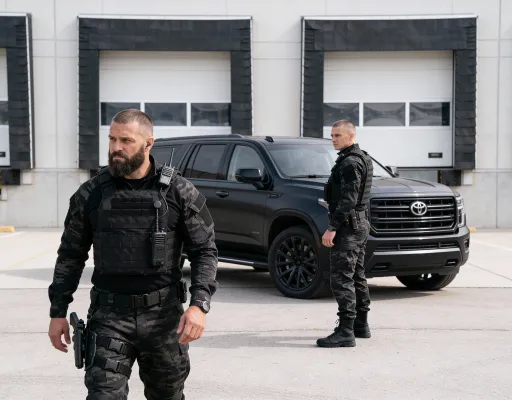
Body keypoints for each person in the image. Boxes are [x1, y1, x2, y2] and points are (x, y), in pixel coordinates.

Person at [47, 109, 218, 399]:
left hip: (164, 317)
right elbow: (70, 255)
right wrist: (57, 311)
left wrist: (199, 305)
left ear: (148, 143)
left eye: (125, 140)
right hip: (109, 316)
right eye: (112, 139)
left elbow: (204, 251)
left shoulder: (179, 192)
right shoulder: (91, 193)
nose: (116, 147)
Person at [317, 119, 373, 348]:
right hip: (359, 225)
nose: (333, 139)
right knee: (357, 275)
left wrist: (332, 228)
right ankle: (360, 325)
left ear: (351, 136)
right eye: (331, 135)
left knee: (342, 278)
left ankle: (345, 331)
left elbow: (348, 200)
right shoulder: (361, 158)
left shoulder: (350, 162)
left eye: (337, 135)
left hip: (349, 228)